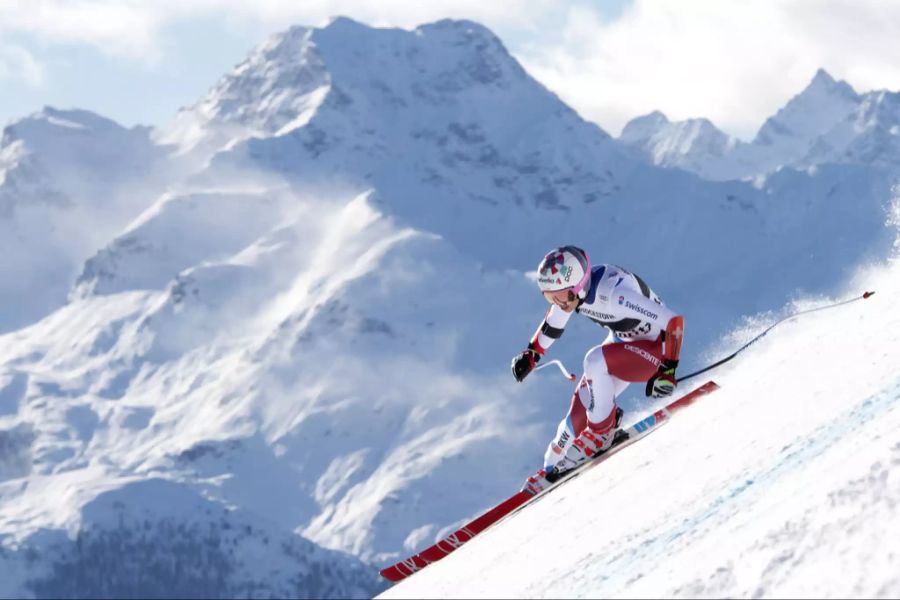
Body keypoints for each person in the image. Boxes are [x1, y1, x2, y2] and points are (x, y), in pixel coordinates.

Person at [511, 246, 684, 493]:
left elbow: (673, 322)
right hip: (624, 346)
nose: (558, 303)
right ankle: (551, 467)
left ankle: (601, 433)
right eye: (551, 298)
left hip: (655, 353)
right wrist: (532, 355)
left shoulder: (614, 295)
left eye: (560, 297)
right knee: (575, 419)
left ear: (577, 286)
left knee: (594, 360)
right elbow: (553, 324)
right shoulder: (573, 295)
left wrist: (668, 370)